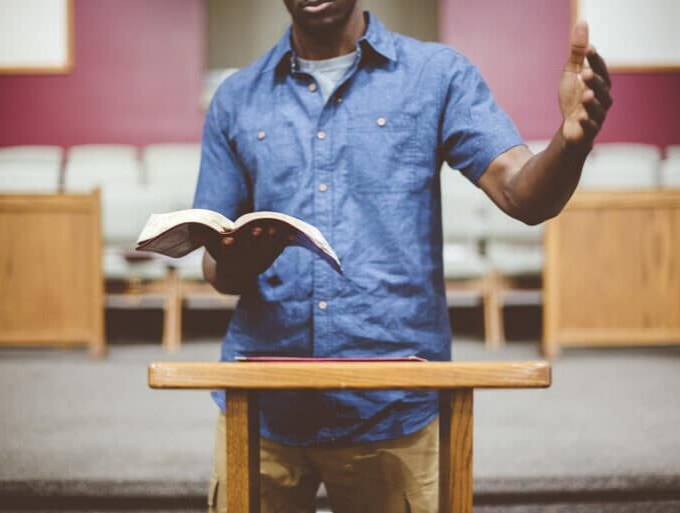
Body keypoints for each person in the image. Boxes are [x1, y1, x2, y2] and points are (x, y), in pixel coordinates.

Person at [194, 1, 612, 512]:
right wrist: (238, 258)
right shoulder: (237, 97)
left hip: (394, 405)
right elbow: (216, 268)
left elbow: (524, 196)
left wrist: (570, 144)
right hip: (262, 405)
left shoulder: (436, 76)